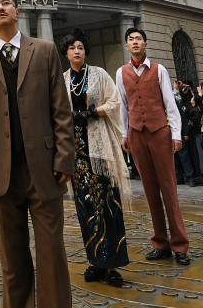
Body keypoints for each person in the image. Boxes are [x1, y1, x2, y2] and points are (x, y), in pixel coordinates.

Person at [0, 0, 74, 308]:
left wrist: (65, 158)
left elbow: (61, 110)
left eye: (6, 3)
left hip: (45, 166)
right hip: (0, 167)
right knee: (12, 252)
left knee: (51, 248)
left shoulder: (46, 50)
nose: (0, 8)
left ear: (17, 11)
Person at [61, 29, 130, 286]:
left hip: (101, 147)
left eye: (80, 46)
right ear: (66, 52)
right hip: (77, 150)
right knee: (86, 207)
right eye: (72, 47)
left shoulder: (99, 74)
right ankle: (95, 262)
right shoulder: (63, 78)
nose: (76, 50)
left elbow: (114, 102)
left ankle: (113, 264)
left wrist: (93, 112)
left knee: (109, 204)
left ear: (85, 50)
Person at [116, 27, 190, 264]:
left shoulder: (159, 70)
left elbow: (170, 103)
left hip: (160, 132)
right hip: (137, 133)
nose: (135, 42)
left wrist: (176, 134)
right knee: (149, 190)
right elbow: (123, 106)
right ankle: (160, 242)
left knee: (168, 188)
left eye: (138, 39)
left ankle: (180, 245)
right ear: (127, 46)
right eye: (131, 40)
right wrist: (124, 134)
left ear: (145, 44)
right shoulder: (121, 72)